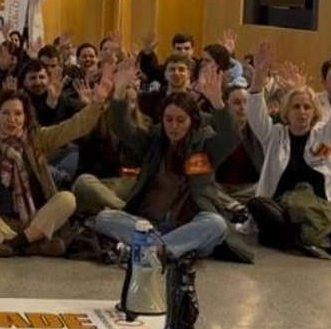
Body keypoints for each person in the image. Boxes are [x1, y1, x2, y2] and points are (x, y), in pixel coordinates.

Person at [0, 65, 109, 257]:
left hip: (35, 219)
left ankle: (8, 246)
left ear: (26, 117)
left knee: (67, 199)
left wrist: (96, 103)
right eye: (5, 113)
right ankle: (28, 245)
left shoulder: (38, 139)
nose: (12, 119)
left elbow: (73, 127)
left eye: (18, 114)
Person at [88, 58, 236, 262]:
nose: (173, 126)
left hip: (188, 225)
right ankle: (165, 249)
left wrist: (218, 102)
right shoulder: (154, 141)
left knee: (216, 224)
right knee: (104, 219)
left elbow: (230, 137)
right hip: (149, 224)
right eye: (169, 119)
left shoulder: (204, 144)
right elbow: (124, 130)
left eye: (180, 120)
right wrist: (120, 92)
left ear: (192, 121)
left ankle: (148, 250)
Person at [244, 42, 331, 259]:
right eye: (296, 107)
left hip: (319, 209)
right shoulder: (275, 136)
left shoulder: (322, 138)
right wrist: (259, 75)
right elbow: (254, 113)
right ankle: (313, 238)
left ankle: (291, 238)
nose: (302, 112)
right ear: (286, 111)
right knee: (256, 205)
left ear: (314, 111)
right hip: (283, 209)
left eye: (307, 107)